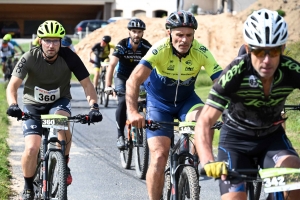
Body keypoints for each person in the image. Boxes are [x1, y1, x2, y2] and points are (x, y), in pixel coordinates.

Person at [195, 9, 300, 200]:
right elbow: (205, 121)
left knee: (292, 170)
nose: (266, 60)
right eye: (259, 51)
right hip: (235, 140)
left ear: (283, 49)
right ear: (248, 48)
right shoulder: (235, 72)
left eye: (274, 51)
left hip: (271, 139)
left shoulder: (291, 70)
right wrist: (208, 161)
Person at [126, 11, 223, 200]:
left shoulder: (200, 51)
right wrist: (132, 112)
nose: (184, 40)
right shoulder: (159, 49)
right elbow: (133, 80)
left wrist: (233, 109)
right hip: (159, 104)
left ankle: (197, 161)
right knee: (159, 157)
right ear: (169, 33)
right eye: (179, 34)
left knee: (206, 117)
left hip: (187, 101)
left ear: (194, 35)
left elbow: (221, 82)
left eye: (188, 35)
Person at [6, 20, 102, 200]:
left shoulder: (70, 57)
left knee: (61, 123)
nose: (51, 45)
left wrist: (94, 107)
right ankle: (28, 186)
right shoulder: (29, 57)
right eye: (47, 40)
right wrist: (13, 105)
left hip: (59, 101)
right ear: (40, 41)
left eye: (55, 41)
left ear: (61, 42)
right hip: (33, 104)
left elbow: (87, 85)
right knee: (32, 149)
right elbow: (12, 86)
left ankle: (63, 164)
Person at [105, 18, 152, 149]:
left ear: (143, 33)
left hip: (139, 78)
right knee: (122, 102)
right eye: (134, 31)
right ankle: (120, 135)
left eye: (139, 32)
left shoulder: (147, 46)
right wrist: (108, 85)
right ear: (129, 32)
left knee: (147, 101)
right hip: (122, 77)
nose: (136, 34)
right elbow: (112, 65)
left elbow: (156, 67)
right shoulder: (122, 45)